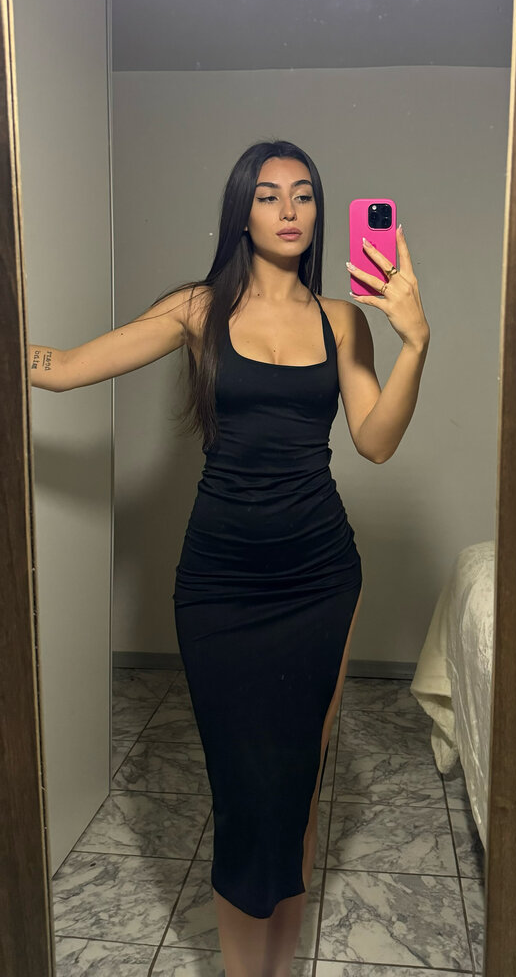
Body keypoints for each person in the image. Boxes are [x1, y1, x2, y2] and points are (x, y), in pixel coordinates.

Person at [29, 139, 430, 977]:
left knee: (296, 790)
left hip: (321, 577)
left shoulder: (343, 319)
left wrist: (416, 344)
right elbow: (61, 370)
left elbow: (376, 441)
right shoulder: (197, 309)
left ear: (319, 212)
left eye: (304, 195)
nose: (288, 210)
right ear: (241, 213)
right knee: (244, 795)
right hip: (219, 584)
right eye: (268, 195)